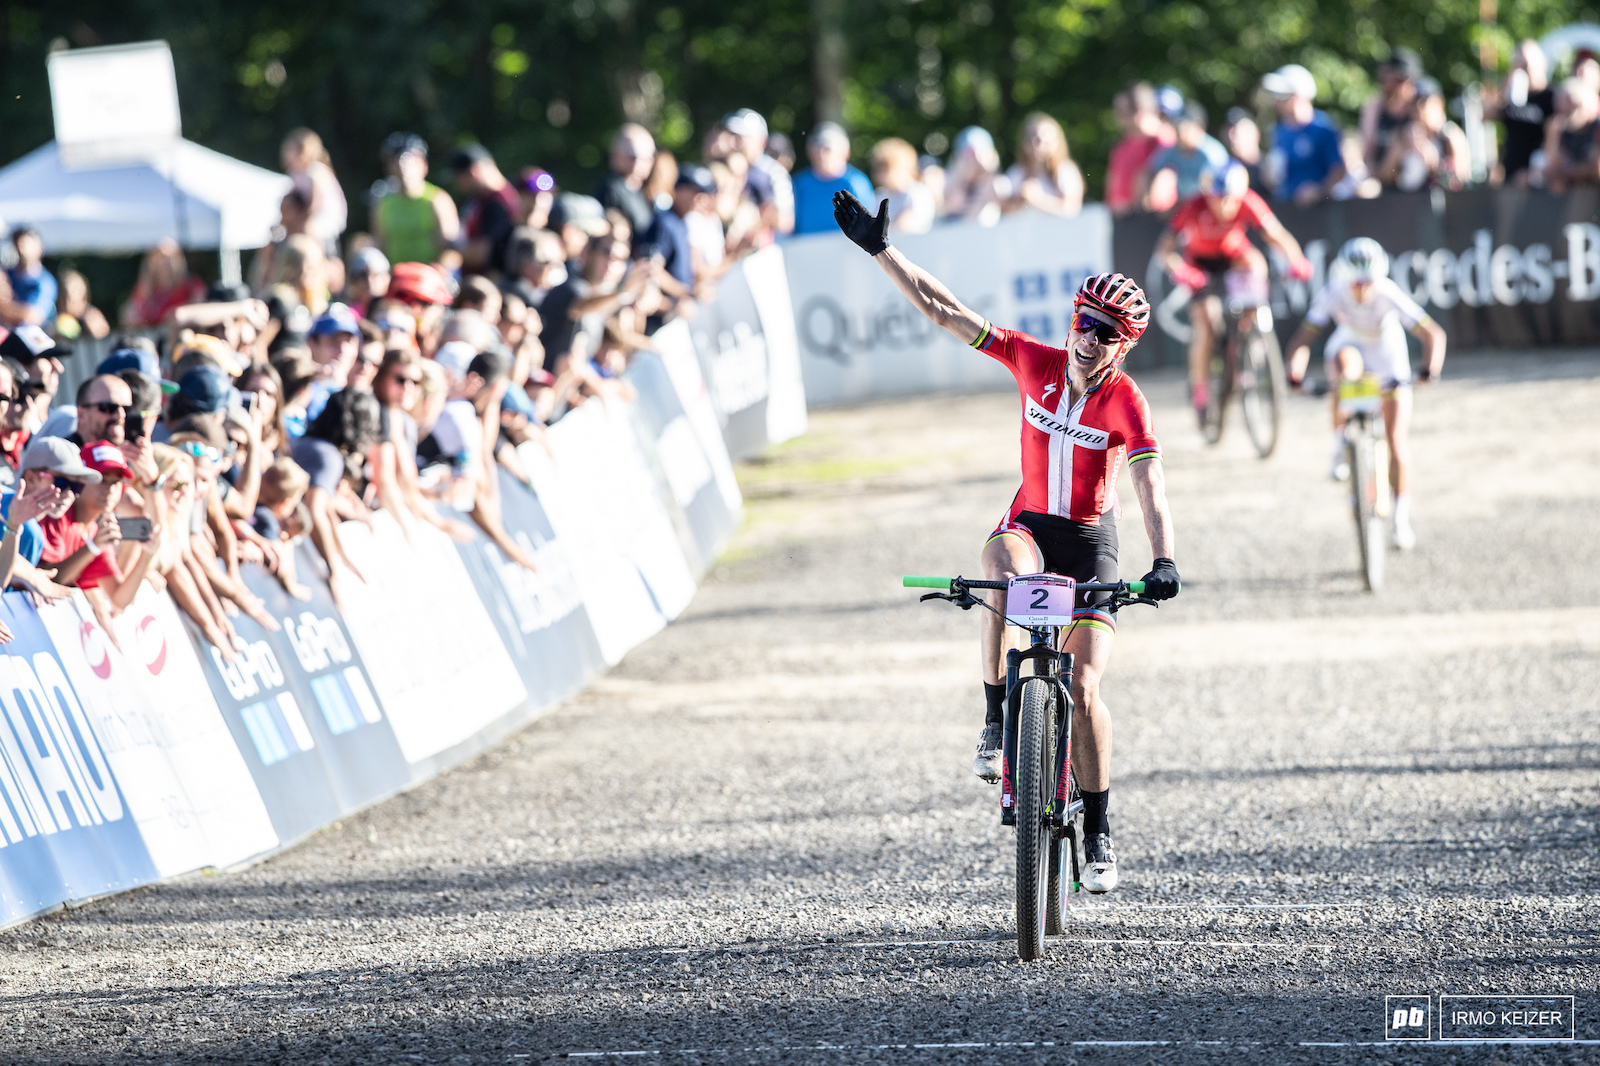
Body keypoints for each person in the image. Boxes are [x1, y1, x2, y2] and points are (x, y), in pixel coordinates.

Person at [832, 188, 1181, 894]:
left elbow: (1150, 485)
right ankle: (996, 715)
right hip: (1030, 525)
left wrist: (1165, 558)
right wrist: (879, 249)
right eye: (1085, 322)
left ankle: (1100, 827)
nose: (1089, 338)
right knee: (1002, 567)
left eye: (1106, 332)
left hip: (1090, 542)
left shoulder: (1126, 403)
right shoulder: (1033, 361)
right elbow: (943, 308)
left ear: (1125, 344)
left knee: (1083, 688)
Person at [1284, 238, 1447, 551]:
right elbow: (1302, 341)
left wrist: (1429, 370)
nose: (1361, 289)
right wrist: (1295, 372)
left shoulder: (1387, 292)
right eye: (1355, 283)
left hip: (1388, 356)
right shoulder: (1333, 293)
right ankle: (1339, 447)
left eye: (1368, 282)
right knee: (1345, 369)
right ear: (1344, 278)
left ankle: (1400, 520)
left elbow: (1433, 334)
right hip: (1352, 348)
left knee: (1396, 439)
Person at [1153, 160, 1312, 418]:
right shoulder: (1194, 205)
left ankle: (1251, 336)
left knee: (1256, 265)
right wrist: (1180, 270)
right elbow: (1164, 249)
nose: (1225, 205)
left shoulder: (1249, 201)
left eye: (1230, 199)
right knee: (1206, 322)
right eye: (1219, 198)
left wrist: (1296, 260)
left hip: (1233, 256)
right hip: (1199, 263)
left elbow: (1277, 236)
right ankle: (1200, 389)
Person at [1261, 64, 1344, 206]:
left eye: (1282, 95)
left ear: (1298, 95)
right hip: (1287, 209)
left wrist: (1319, 191)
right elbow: (1275, 176)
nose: (1276, 101)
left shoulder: (1324, 128)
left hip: (1321, 213)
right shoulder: (1278, 131)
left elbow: (1338, 170)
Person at [373, 133, 461, 267]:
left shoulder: (437, 200)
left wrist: (439, 274)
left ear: (424, 165)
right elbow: (380, 248)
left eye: (410, 161)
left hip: (432, 280)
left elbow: (453, 250)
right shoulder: (383, 205)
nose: (402, 167)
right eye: (395, 161)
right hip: (398, 279)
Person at [1377, 78, 1471, 192]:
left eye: (1422, 101)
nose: (1417, 107)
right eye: (1412, 102)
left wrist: (1432, 160)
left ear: (1438, 102)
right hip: (1407, 202)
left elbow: (1462, 180)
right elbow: (1384, 177)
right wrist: (1399, 151)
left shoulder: (1450, 136)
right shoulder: (1403, 134)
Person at [1487, 40, 1554, 186]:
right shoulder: (1513, 96)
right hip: (1510, 172)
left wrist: (1533, 171)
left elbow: (1552, 136)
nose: (1525, 68)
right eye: (1520, 63)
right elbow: (1487, 116)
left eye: (1528, 63)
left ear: (1542, 63)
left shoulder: (1551, 97)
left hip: (1536, 176)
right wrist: (1507, 84)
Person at [791, 123, 875, 235]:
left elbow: (868, 224)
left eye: (827, 149)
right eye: (816, 148)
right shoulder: (800, 183)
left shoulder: (855, 182)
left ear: (845, 152)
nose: (821, 155)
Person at [451, 144, 522, 275]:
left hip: (491, 284)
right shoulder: (483, 199)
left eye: (458, 178)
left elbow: (482, 254)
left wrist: (448, 247)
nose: (457, 185)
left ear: (474, 171)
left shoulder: (497, 203)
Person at [1143, 101, 1230, 206]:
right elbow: (1151, 170)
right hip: (1183, 206)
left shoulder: (1212, 154)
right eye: (1178, 126)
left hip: (1210, 206)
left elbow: (1222, 190)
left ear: (1199, 127)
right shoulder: (1173, 149)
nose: (1180, 132)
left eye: (1185, 127)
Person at [725, 108, 795, 235]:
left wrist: (759, 216)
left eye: (742, 138)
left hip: (763, 250)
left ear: (761, 141)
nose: (735, 142)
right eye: (733, 136)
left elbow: (786, 222)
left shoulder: (773, 172)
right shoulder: (725, 168)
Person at [281, 129, 349, 257]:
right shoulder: (294, 174)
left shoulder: (315, 171)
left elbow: (314, 204)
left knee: (308, 228)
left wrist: (302, 222)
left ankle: (317, 258)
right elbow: (290, 202)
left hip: (326, 217)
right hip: (309, 216)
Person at [1002, 113, 1084, 217]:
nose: (1039, 144)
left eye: (1044, 138)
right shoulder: (1017, 172)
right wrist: (1021, 200)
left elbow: (1072, 209)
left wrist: (1038, 199)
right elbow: (1002, 209)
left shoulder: (1065, 170)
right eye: (1033, 137)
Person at [593, 124, 658, 248]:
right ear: (616, 155)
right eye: (633, 157)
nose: (640, 163)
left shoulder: (643, 190)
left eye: (648, 158)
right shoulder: (610, 188)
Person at [1360, 49, 1423, 175]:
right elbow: (1368, 153)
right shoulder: (1374, 109)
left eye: (1401, 81)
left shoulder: (1418, 110)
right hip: (1380, 180)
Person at [120, 239, 207, 328]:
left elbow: (200, 310)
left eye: (169, 257)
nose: (164, 262)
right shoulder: (144, 288)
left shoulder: (191, 285)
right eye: (160, 257)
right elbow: (132, 312)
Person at [1535, 78, 1600, 194]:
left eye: (1570, 103)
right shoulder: (1563, 131)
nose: (1564, 110)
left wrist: (1567, 173)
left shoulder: (1597, 128)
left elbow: (1595, 170)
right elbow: (1549, 168)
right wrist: (1552, 136)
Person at [869, 138, 937, 234]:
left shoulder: (917, 193)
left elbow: (907, 225)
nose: (881, 174)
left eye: (885, 168)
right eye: (879, 168)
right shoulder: (880, 195)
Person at [941, 127, 1004, 225]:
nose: (975, 159)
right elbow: (948, 204)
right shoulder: (952, 183)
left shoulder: (998, 185)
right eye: (970, 154)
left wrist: (988, 171)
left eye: (980, 153)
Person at [4, 228, 58, 328]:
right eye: (18, 243)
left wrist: (5, 308)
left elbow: (35, 316)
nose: (21, 248)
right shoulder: (7, 276)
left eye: (26, 243)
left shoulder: (45, 282)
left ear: (39, 247)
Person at [52, 269, 110, 341]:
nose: (68, 301)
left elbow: (104, 337)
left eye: (76, 293)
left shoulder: (92, 317)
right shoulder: (55, 318)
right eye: (65, 297)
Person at [343, 247, 390, 318]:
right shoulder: (347, 317)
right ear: (353, 281)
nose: (369, 280)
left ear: (387, 278)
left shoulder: (394, 316)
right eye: (363, 275)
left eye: (376, 274)